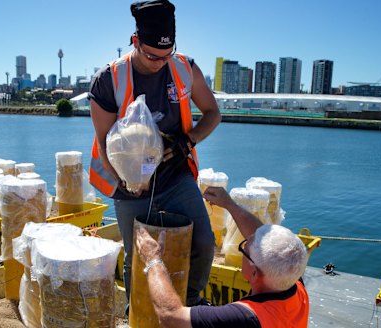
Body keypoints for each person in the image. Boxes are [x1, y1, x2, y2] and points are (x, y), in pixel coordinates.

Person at [88, 0, 221, 307]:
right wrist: (132, 182)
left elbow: (213, 112)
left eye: (167, 55)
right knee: (139, 255)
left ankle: (187, 305)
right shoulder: (109, 79)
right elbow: (104, 143)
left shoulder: (185, 68)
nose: (160, 62)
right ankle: (138, 314)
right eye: (151, 55)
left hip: (175, 174)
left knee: (203, 241)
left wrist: (190, 141)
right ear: (135, 41)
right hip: (128, 184)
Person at [136, 186, 310, 328]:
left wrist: (153, 260)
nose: (245, 241)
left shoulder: (245, 318)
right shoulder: (294, 284)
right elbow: (261, 235)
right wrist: (229, 204)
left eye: (244, 248)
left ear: (255, 274)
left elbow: (170, 317)